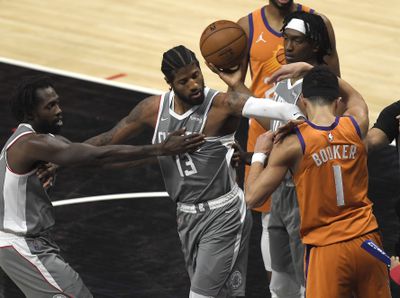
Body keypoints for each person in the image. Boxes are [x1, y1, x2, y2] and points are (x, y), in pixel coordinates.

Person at [85, 45, 306, 298]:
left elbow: (280, 110)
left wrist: (300, 125)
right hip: (186, 217)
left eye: (196, 75)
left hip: (224, 215)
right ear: (169, 83)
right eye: (184, 81)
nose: (194, 84)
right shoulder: (152, 109)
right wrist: (58, 158)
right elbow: (108, 138)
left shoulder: (222, 104)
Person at [0, 76, 206, 298]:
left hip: (26, 241)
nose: (59, 110)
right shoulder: (31, 144)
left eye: (57, 102)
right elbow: (98, 155)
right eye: (50, 106)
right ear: (31, 114)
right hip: (19, 243)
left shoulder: (42, 141)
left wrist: (164, 155)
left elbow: (105, 161)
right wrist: (161, 149)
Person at [211, 11, 334, 297]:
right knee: (279, 283)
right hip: (280, 190)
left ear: (314, 45)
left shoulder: (321, 86)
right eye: (285, 40)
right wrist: (237, 85)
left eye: (296, 41)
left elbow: (318, 135)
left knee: (310, 283)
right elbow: (275, 124)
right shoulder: (282, 85)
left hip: (307, 193)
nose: (287, 47)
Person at [245, 65, 391, 297]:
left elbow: (252, 197)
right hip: (368, 243)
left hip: (327, 250)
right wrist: (311, 68)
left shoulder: (293, 143)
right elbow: (355, 97)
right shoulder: (355, 124)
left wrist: (260, 154)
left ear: (302, 100)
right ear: (336, 101)